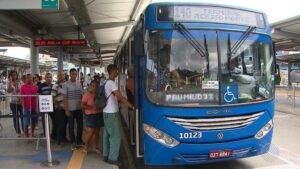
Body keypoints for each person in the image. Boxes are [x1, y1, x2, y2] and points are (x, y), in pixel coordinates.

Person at [102, 64, 134, 165]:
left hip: (106, 112)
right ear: (113, 71)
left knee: (106, 135)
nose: (117, 73)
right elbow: (120, 97)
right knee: (115, 136)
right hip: (111, 113)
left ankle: (106, 155)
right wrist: (132, 106)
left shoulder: (106, 82)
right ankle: (113, 158)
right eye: (116, 71)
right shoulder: (111, 83)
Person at [62, 68, 84, 150]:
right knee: (71, 126)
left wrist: (83, 106)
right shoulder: (65, 84)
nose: (74, 75)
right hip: (70, 109)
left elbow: (82, 95)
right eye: (73, 74)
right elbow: (64, 97)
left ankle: (79, 140)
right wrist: (66, 109)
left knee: (80, 125)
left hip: (79, 108)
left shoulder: (79, 83)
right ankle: (73, 142)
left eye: (75, 73)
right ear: (70, 74)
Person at [81, 80, 104, 154]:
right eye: (93, 86)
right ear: (90, 86)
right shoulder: (87, 94)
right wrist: (91, 108)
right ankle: (85, 146)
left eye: (96, 86)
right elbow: (82, 105)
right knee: (90, 132)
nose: (94, 87)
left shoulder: (100, 95)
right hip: (90, 115)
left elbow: (103, 104)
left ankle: (95, 147)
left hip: (99, 114)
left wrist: (99, 108)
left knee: (97, 132)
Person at [20, 74, 38, 141]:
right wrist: (23, 106)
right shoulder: (23, 87)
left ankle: (32, 133)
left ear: (32, 79)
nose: (30, 79)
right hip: (26, 107)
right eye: (28, 78)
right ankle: (27, 136)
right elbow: (21, 97)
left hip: (34, 106)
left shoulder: (35, 87)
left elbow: (37, 96)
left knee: (33, 121)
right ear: (26, 79)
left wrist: (37, 107)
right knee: (26, 122)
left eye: (31, 78)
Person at [51, 71, 68, 145]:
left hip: (67, 107)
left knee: (65, 123)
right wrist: (57, 106)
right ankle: (59, 139)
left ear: (65, 76)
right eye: (59, 75)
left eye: (62, 75)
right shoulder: (55, 85)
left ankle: (64, 138)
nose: (61, 76)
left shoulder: (67, 84)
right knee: (60, 124)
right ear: (58, 77)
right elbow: (53, 97)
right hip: (60, 108)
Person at [7, 70, 23, 137]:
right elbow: (9, 90)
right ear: (10, 76)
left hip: (21, 102)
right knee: (15, 117)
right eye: (12, 75)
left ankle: (25, 130)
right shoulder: (9, 82)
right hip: (13, 103)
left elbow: (22, 90)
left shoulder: (20, 81)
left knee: (23, 116)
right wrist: (10, 82)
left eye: (15, 75)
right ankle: (18, 131)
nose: (14, 76)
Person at [38, 73, 54, 137]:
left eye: (50, 77)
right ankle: (46, 135)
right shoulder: (41, 86)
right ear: (45, 78)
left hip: (53, 107)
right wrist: (38, 106)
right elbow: (38, 95)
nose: (49, 78)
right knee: (45, 122)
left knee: (54, 121)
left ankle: (53, 134)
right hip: (44, 107)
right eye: (47, 77)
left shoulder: (54, 85)